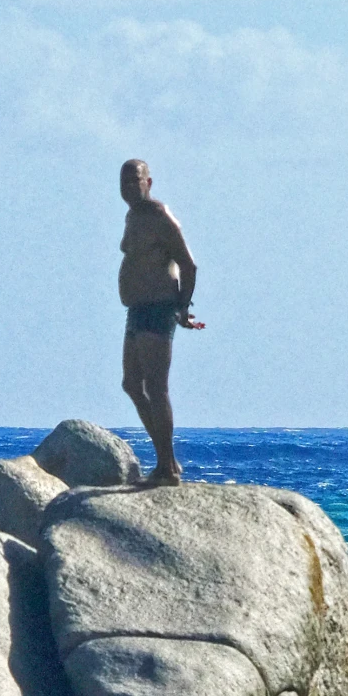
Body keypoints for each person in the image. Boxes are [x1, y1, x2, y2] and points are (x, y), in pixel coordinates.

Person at [117, 156, 201, 488]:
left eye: (135, 180)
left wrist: (181, 309)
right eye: (123, 182)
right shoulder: (132, 216)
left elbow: (189, 265)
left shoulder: (159, 216)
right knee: (131, 385)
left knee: (155, 388)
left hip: (157, 309)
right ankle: (167, 460)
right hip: (136, 311)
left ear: (148, 183)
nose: (128, 187)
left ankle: (167, 468)